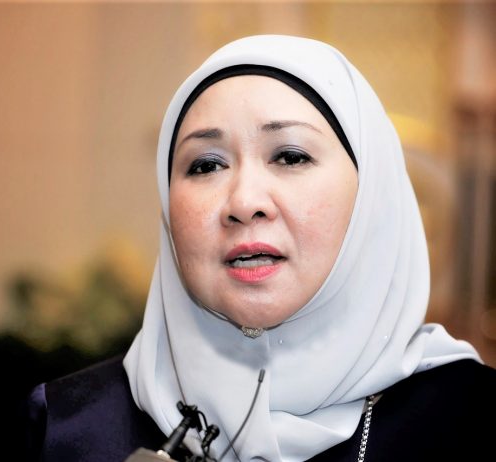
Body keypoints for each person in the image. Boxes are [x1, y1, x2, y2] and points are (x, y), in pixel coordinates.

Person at [25, 35, 496, 462]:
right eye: (206, 165)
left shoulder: (470, 421)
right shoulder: (69, 428)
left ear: (371, 198)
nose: (244, 202)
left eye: (290, 156)